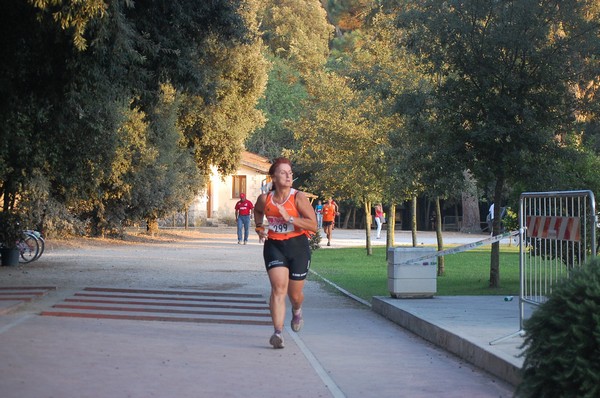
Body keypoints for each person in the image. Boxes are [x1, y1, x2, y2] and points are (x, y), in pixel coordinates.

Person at [253, 157, 317, 349]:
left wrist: (290, 218)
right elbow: (257, 211)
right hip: (274, 245)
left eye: (290, 172)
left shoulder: (298, 197)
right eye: (283, 172)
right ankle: (278, 333)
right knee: (278, 289)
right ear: (273, 177)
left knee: (294, 294)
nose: (288, 176)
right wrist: (258, 227)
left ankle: (297, 310)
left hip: (298, 246)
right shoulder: (265, 199)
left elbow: (313, 225)